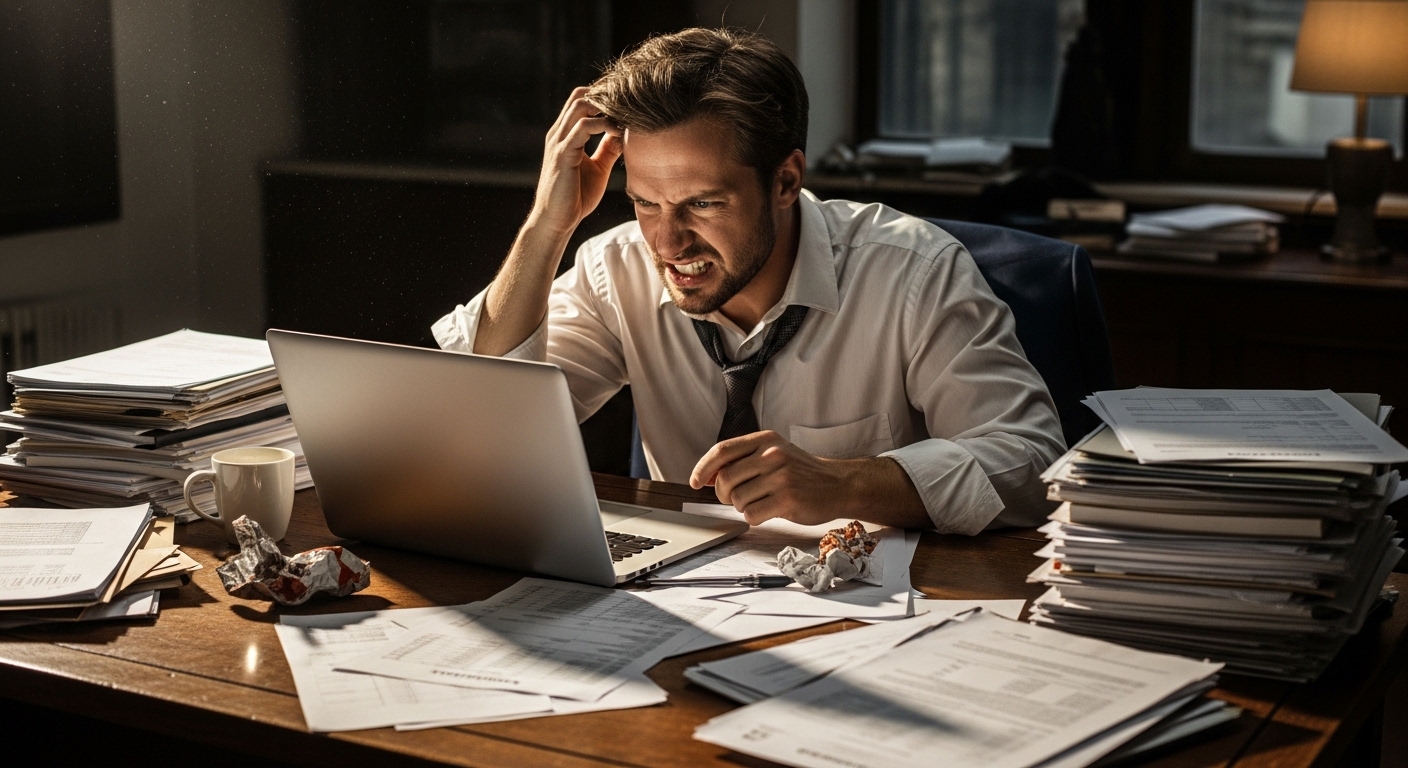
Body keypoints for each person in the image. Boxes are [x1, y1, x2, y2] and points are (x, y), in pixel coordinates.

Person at [433, 28, 1065, 533]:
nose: (667, 242)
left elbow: (1034, 460)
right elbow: (482, 427)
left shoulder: (913, 271)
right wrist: (549, 223)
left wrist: (842, 483)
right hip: (684, 608)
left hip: (878, 608)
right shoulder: (614, 267)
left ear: (786, 181)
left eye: (703, 204)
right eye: (646, 203)